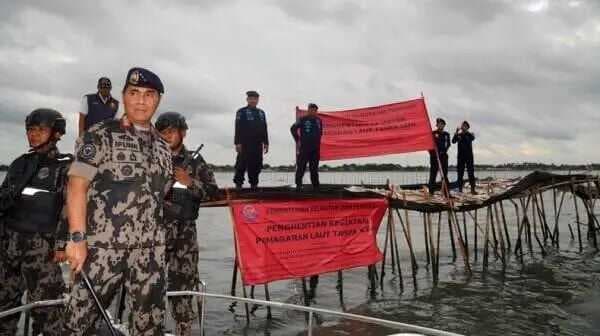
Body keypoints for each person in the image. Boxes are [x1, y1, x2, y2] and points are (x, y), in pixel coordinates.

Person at [64, 67, 173, 335]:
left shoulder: (163, 146)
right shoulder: (101, 134)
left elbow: (161, 194)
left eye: (149, 94)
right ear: (123, 96)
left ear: (157, 100)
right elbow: (77, 185)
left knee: (149, 326)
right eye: (134, 93)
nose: (140, 100)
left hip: (151, 253)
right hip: (103, 249)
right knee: (79, 322)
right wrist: (77, 238)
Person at [0, 108, 70, 336]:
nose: (34, 134)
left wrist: (61, 244)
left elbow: (70, 208)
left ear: (57, 133)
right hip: (9, 247)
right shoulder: (20, 163)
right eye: (30, 129)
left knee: (48, 312)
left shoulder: (65, 166)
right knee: (5, 306)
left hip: (42, 251)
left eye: (41, 129)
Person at [155, 112, 219, 336]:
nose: (167, 136)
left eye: (172, 131)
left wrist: (189, 181)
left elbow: (212, 193)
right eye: (163, 133)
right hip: (154, 238)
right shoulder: (150, 159)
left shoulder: (196, 161)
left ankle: (184, 331)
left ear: (183, 133)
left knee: (183, 291)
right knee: (149, 291)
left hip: (184, 239)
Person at [233, 90, 269, 191]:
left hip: (258, 144)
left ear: (258, 100)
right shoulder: (241, 112)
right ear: (247, 99)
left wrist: (266, 142)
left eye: (255, 99)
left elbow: (264, 128)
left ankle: (254, 184)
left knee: (256, 165)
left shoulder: (261, 113)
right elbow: (237, 127)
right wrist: (237, 142)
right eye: (251, 99)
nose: (253, 100)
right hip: (244, 143)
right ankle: (238, 185)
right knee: (241, 164)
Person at [291, 103, 323, 191]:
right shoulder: (302, 119)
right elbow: (293, 128)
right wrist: (298, 140)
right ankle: (298, 185)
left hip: (315, 149)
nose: (313, 111)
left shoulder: (319, 120)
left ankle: (316, 186)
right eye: (311, 110)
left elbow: (320, 133)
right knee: (301, 167)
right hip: (304, 148)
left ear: (316, 111)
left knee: (314, 169)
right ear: (308, 110)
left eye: (315, 110)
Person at [452, 120, 477, 194]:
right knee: (460, 173)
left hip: (469, 157)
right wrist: (456, 133)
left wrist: (468, 133)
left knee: (471, 173)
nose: (464, 127)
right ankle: (460, 189)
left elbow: (473, 138)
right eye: (463, 125)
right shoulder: (458, 135)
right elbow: (453, 141)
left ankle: (472, 189)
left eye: (466, 126)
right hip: (460, 157)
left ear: (467, 128)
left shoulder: (469, 134)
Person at [428, 118, 451, 195]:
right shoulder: (432, 133)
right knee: (433, 174)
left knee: (444, 175)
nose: (440, 125)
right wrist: (433, 153)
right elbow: (429, 146)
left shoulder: (446, 135)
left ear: (444, 125)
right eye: (439, 123)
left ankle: (446, 192)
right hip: (434, 157)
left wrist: (442, 151)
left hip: (443, 156)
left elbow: (448, 145)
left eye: (442, 123)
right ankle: (431, 192)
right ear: (437, 125)